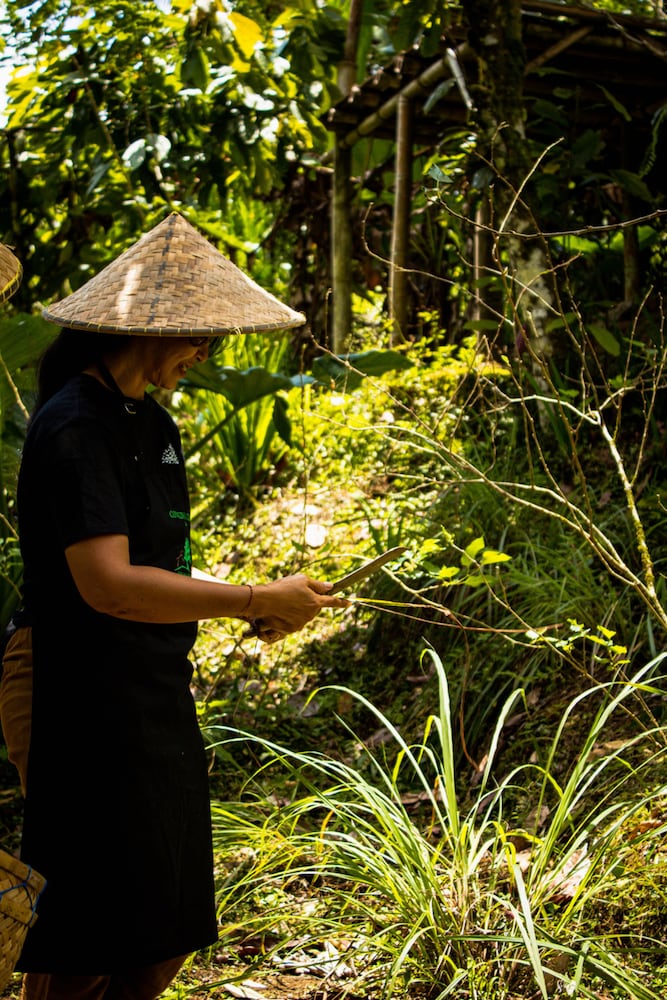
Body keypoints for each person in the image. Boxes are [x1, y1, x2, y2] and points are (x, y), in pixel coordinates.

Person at [0, 214, 347, 1000]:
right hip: (73, 688)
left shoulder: (151, 423)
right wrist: (251, 597)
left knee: (168, 917)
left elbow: (155, 570)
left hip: (149, 686)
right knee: (90, 923)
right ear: (153, 330)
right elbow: (107, 585)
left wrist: (254, 605)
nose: (205, 355)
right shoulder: (74, 426)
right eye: (202, 339)